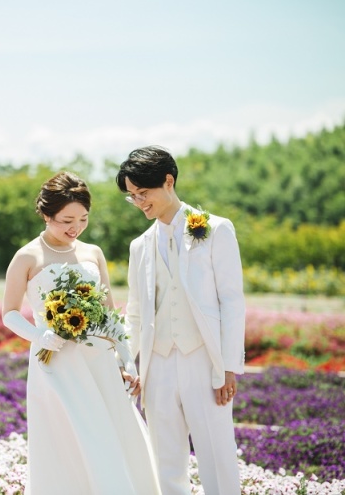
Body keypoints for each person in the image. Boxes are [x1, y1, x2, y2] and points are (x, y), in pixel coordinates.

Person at [2, 171, 161, 495]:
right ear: (47, 214)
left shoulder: (93, 253)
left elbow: (109, 313)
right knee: (70, 437)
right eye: (66, 220)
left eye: (83, 219)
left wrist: (126, 360)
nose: (75, 227)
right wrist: (39, 336)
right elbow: (9, 312)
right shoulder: (28, 256)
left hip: (98, 360)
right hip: (56, 363)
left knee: (110, 432)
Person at [115, 146, 245, 495]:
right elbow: (136, 310)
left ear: (168, 181)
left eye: (143, 193)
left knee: (216, 454)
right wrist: (131, 364)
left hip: (205, 360)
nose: (139, 202)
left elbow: (232, 301)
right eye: (132, 197)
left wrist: (227, 367)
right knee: (165, 460)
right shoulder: (139, 246)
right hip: (156, 365)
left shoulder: (216, 230)